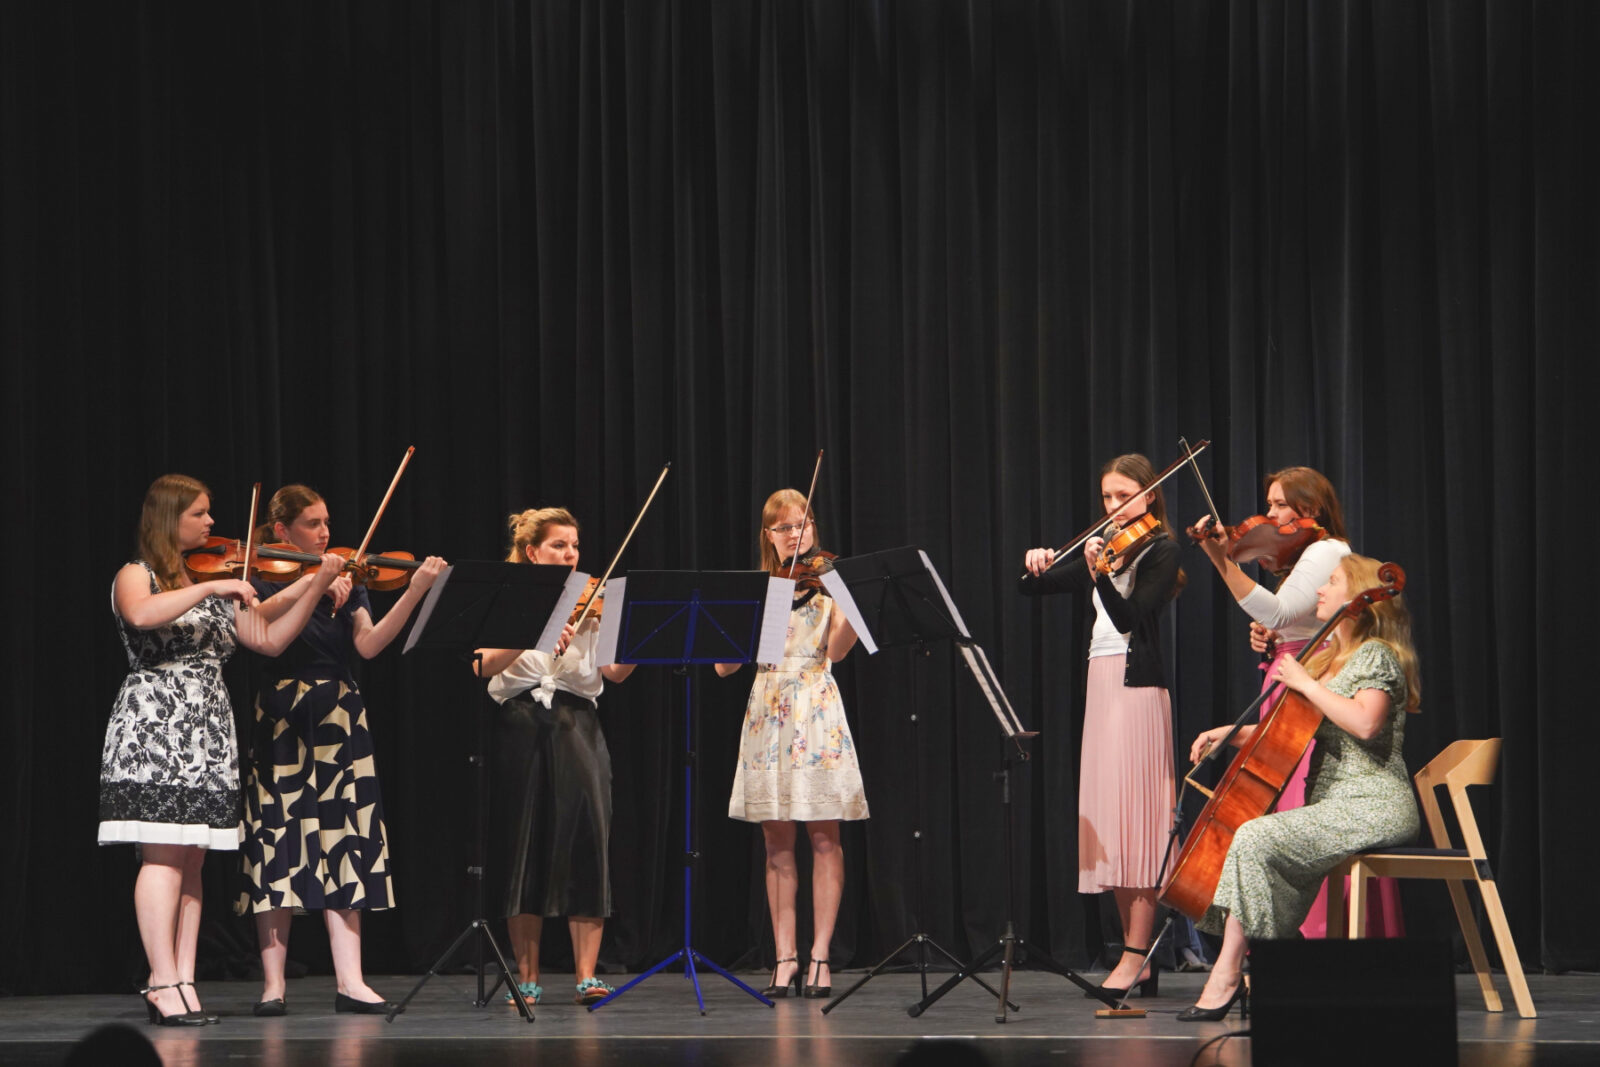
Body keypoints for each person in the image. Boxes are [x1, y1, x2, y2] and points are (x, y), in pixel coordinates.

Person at [98, 474, 343, 1026]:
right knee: (163, 854)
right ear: (170, 517)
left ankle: (184, 981)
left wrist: (313, 584)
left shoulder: (207, 578)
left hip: (207, 732)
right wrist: (214, 589)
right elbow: (141, 615)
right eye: (200, 514)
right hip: (156, 728)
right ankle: (160, 980)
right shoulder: (138, 574)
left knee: (193, 859)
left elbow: (267, 639)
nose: (212, 523)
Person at [1180, 552, 1421, 1020]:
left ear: (1358, 598)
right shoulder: (1329, 659)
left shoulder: (1376, 654)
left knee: (1255, 836)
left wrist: (1306, 685)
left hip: (1373, 803)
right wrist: (1228, 734)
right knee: (1254, 839)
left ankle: (1230, 974)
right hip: (1333, 804)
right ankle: (1281, 973)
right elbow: (1287, 731)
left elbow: (1365, 723)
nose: (1319, 590)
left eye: (1331, 582)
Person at [236, 485, 446, 1015]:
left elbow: (369, 645)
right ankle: (273, 985)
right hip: (282, 714)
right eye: (313, 523)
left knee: (345, 836)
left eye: (327, 522)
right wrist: (314, 581)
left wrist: (415, 591)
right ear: (282, 531)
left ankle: (351, 981)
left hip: (338, 713)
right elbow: (262, 625)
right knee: (277, 838)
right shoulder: (258, 576)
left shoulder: (347, 580)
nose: (326, 533)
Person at [1190, 467, 1399, 937]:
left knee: (1299, 808)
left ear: (1311, 508)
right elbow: (1287, 622)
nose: (1271, 515)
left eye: (1281, 505)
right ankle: (1272, 940)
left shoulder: (1327, 550)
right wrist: (1270, 640)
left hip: (1311, 678)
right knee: (1281, 808)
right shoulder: (1305, 553)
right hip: (1293, 673)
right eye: (1270, 504)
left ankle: (1313, 935)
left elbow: (1282, 611)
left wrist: (1221, 561)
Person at [1021, 454, 1184, 999]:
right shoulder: (1109, 549)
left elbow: (1128, 616)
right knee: (1112, 817)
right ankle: (1135, 954)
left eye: (1123, 496)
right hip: (1102, 682)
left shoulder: (1162, 550)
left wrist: (1100, 575)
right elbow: (1031, 589)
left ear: (1149, 496)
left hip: (1138, 690)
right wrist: (1036, 563)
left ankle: (1137, 953)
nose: (1113, 506)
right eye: (1107, 497)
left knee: (1139, 819)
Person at [476, 508, 635, 1006]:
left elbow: (615, 672)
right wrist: (534, 631)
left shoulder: (593, 598)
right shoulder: (507, 595)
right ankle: (527, 976)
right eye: (559, 545)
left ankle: (587, 975)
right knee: (523, 845)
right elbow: (483, 665)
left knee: (589, 841)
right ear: (532, 551)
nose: (570, 555)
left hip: (579, 725)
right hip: (520, 724)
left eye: (574, 546)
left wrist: (634, 633)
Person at [715, 490, 868, 999]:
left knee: (824, 838)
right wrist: (748, 618)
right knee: (776, 843)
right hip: (768, 708)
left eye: (802, 525)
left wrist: (849, 603)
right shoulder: (760, 591)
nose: (795, 535)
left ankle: (820, 955)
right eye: (783, 528)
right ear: (769, 536)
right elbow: (724, 666)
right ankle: (785, 956)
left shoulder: (828, 585)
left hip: (816, 706)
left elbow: (838, 651)